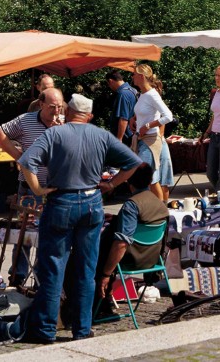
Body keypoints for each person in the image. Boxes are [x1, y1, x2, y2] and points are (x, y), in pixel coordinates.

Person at [19, 93, 142, 344]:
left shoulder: (55, 134)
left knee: (53, 268)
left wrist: (38, 190)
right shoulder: (102, 135)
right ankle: (82, 329)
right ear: (91, 116)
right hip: (91, 203)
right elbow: (134, 162)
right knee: (86, 270)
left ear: (67, 110)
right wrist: (112, 185)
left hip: (61, 201)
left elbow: (25, 162)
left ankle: (45, 330)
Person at [0, 86, 65, 283]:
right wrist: (20, 157)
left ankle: (42, 278)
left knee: (48, 235)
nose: (56, 111)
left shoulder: (63, 123)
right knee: (24, 233)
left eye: (59, 107)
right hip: (28, 187)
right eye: (52, 107)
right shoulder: (26, 121)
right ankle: (18, 275)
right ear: (41, 104)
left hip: (53, 189)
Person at [93, 162, 168, 306]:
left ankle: (99, 302)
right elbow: (144, 227)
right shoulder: (160, 204)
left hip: (131, 260)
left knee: (89, 254)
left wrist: (106, 274)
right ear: (150, 180)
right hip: (152, 260)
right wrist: (117, 219)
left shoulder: (132, 205)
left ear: (128, 180)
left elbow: (121, 244)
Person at [131, 64, 173, 201]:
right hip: (143, 139)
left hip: (150, 140)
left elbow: (168, 116)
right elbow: (146, 112)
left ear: (141, 76)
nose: (132, 77)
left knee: (147, 178)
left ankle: (159, 210)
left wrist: (148, 125)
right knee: (148, 178)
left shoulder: (151, 94)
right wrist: (135, 118)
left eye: (134, 74)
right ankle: (158, 210)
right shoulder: (143, 94)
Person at [106, 70, 139, 143]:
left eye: (108, 84)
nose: (110, 87)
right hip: (132, 134)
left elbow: (123, 118)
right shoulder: (133, 90)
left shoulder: (123, 94)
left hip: (125, 137)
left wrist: (119, 139)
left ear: (111, 81)